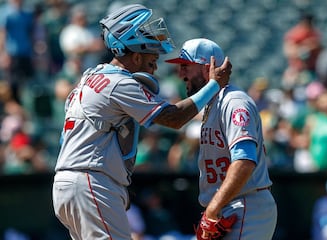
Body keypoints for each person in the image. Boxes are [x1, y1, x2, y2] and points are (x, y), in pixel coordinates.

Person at [51, 4, 231, 240]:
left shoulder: (90, 77)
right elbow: (173, 118)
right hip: (91, 180)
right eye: (151, 58)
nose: (155, 66)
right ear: (135, 56)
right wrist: (214, 85)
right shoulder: (119, 83)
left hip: (69, 182)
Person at [165, 38, 277, 239]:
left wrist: (212, 209)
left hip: (246, 205)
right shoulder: (212, 103)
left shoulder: (234, 102)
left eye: (186, 66)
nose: (180, 74)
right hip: (229, 204)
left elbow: (244, 161)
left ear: (208, 67)